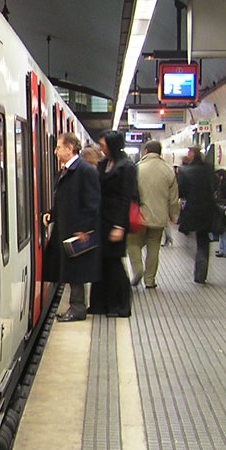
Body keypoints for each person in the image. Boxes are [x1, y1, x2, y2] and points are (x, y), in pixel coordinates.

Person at [42, 131, 100, 322]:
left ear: (70, 149)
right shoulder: (66, 171)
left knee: (76, 272)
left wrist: (84, 229)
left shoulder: (85, 171)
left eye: (59, 147)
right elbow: (64, 199)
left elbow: (92, 203)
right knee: (71, 271)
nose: (55, 151)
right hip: (66, 229)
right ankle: (75, 307)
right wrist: (52, 214)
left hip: (76, 232)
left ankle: (77, 309)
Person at [88, 130, 136, 317]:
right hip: (102, 219)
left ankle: (119, 305)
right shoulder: (104, 164)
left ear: (112, 145)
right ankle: (99, 304)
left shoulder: (126, 167)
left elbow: (125, 198)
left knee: (114, 263)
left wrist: (119, 226)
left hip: (115, 221)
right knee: (100, 262)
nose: (101, 148)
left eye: (104, 145)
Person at [126, 140, 179, 289]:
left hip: (140, 216)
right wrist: (173, 215)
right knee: (154, 247)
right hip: (160, 217)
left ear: (146, 151)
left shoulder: (138, 168)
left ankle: (138, 269)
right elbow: (173, 198)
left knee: (132, 243)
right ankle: (150, 280)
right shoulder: (168, 170)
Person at [177, 146, 217, 284]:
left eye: (189, 152)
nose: (187, 154)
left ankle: (199, 261)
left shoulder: (184, 171)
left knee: (189, 236)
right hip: (208, 208)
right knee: (203, 239)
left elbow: (181, 191)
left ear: (193, 154)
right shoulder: (209, 169)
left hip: (192, 209)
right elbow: (214, 186)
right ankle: (201, 271)